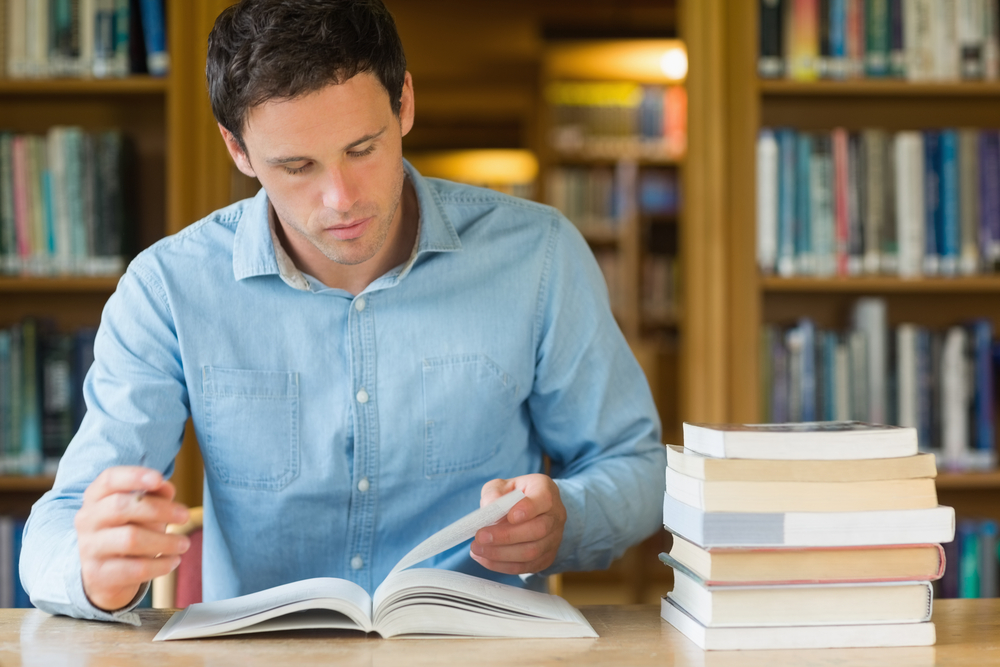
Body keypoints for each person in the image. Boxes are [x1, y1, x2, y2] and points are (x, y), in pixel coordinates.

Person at [21, 0, 666, 624]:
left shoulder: (538, 256)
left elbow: (637, 467)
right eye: (296, 166)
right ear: (238, 149)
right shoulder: (168, 289)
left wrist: (567, 517)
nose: (341, 199)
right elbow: (60, 521)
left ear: (404, 102)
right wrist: (94, 570)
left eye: (362, 148)